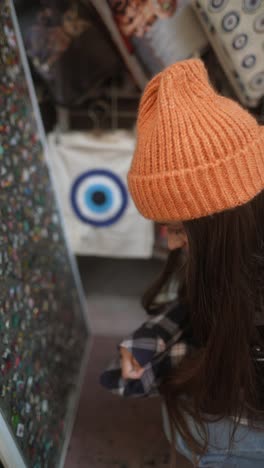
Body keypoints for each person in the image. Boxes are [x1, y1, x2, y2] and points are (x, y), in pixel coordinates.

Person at [100, 58, 264, 467]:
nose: (171, 243)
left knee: (198, 433)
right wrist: (153, 344)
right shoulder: (236, 255)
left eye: (176, 228)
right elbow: (212, 306)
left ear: (219, 222)